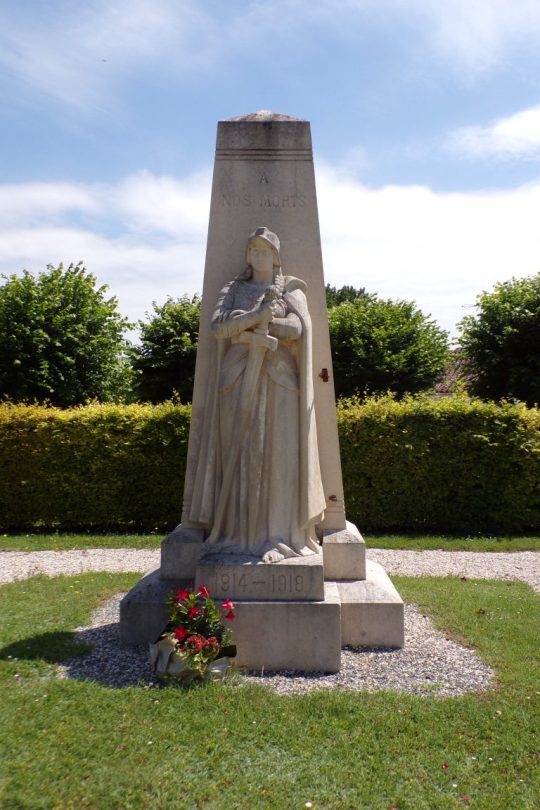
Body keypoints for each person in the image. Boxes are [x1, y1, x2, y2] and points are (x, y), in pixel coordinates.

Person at [189, 226, 326, 562]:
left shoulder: (291, 289)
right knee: (242, 459)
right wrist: (254, 317)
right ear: (247, 255)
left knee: (280, 460)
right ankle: (237, 536)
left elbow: (299, 329)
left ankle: (277, 538)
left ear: (276, 256)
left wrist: (268, 325)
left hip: (280, 383)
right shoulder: (233, 289)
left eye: (265, 249)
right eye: (253, 249)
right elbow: (219, 326)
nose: (258, 254)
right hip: (236, 382)